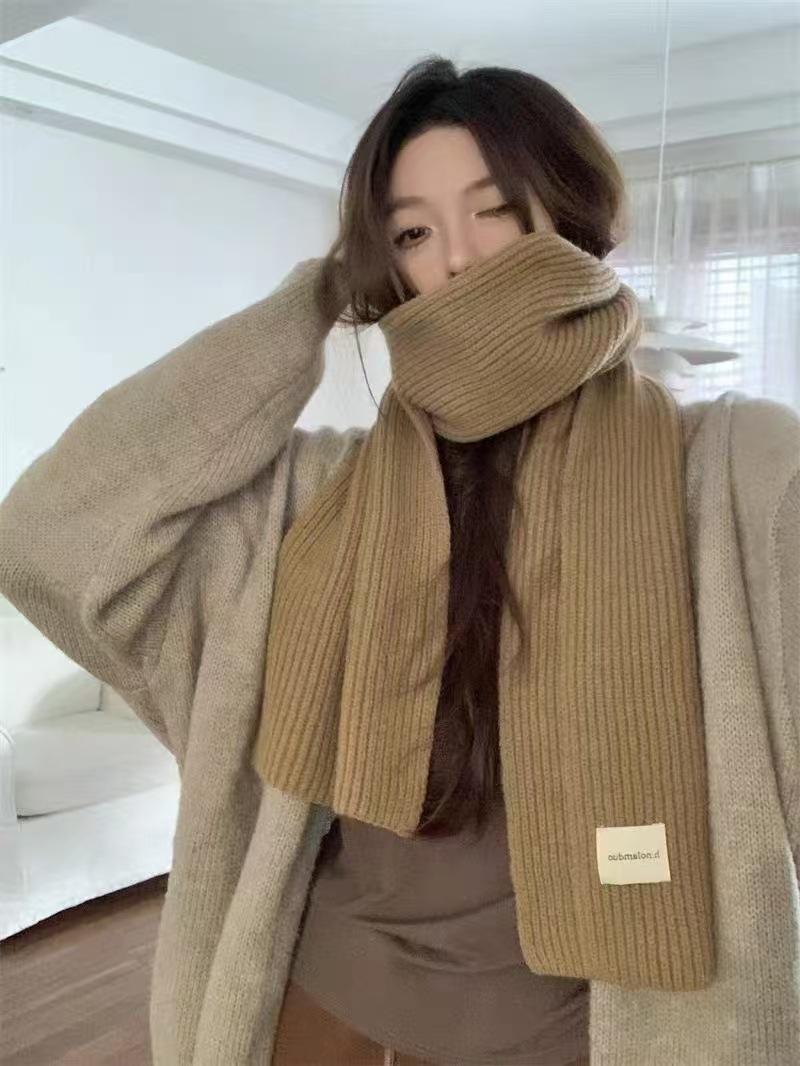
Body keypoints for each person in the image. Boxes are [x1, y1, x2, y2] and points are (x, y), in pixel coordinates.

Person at [0, 56, 797, 1066]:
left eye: (494, 210)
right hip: (323, 994)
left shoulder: (733, 469)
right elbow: (52, 535)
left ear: (573, 216)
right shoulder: (323, 494)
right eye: (412, 233)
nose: (457, 261)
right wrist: (318, 294)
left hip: (597, 1018)